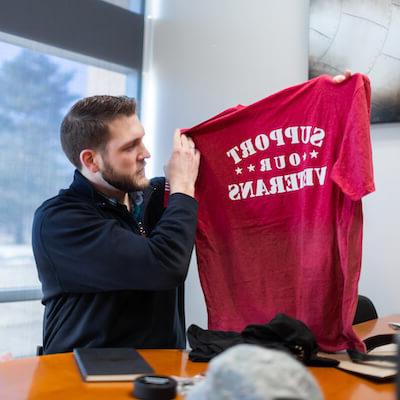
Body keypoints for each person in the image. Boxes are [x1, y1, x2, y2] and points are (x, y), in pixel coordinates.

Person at [32, 95, 200, 354]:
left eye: (141, 139)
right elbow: (164, 265)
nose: (145, 153)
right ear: (91, 160)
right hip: (83, 384)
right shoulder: (59, 220)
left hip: (161, 378)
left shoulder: (158, 196)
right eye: (130, 146)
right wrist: (184, 187)